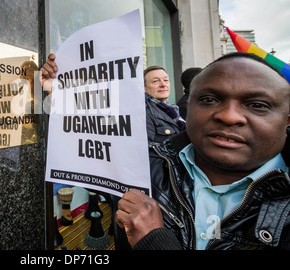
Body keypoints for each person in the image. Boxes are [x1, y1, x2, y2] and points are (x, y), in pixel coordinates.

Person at [115, 52, 290, 250]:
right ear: (188, 109)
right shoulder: (145, 174)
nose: (228, 116)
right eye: (209, 100)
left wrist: (154, 242)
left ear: (287, 119)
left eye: (257, 105)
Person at [144, 66, 186, 144]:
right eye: (155, 81)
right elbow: (148, 151)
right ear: (144, 88)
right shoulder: (144, 112)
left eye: (166, 80)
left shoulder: (172, 108)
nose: (163, 84)